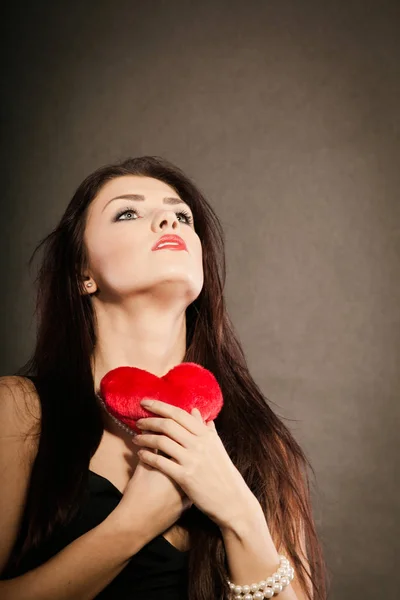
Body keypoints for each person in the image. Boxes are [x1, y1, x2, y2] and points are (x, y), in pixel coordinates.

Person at [0, 156, 329, 599]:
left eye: (182, 215)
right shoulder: (18, 411)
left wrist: (238, 511)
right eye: (128, 212)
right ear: (83, 273)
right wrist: (132, 526)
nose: (168, 220)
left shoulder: (262, 444)